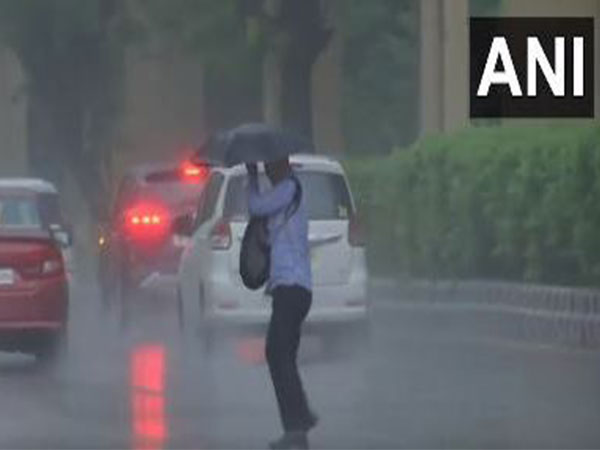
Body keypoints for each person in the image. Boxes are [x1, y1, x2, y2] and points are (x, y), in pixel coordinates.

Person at [246, 159, 318, 450]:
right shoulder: (288, 192)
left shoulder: (288, 188)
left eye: (269, 166)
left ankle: (297, 424)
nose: (267, 170)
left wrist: (251, 179)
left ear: (282, 165)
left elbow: (256, 206)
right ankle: (298, 423)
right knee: (280, 355)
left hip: (292, 286)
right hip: (290, 287)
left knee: (277, 353)